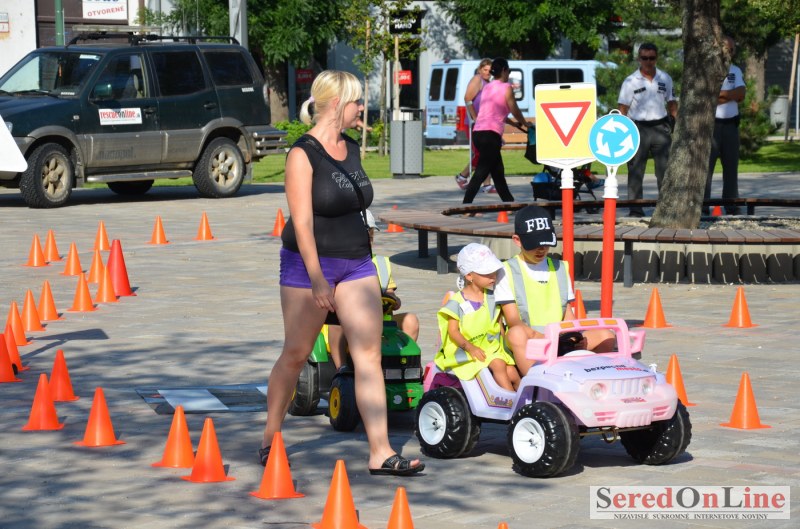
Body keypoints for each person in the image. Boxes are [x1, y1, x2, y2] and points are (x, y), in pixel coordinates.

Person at [261, 70, 424, 476]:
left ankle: (380, 451)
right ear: (336, 104)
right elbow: (301, 223)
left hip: (356, 263)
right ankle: (270, 438)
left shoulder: (351, 148)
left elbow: (356, 203)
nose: (361, 108)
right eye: (356, 102)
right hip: (308, 266)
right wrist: (317, 278)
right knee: (296, 353)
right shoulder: (302, 154)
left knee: (368, 355)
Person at [495, 206, 616, 375]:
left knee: (606, 335)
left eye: (545, 243)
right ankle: (536, 378)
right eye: (534, 244)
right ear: (517, 240)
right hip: (531, 342)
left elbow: (567, 313)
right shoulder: (506, 271)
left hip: (561, 339)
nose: (541, 249)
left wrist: (573, 336)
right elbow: (513, 320)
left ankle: (592, 375)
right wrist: (546, 339)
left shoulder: (560, 267)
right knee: (516, 333)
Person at [327, 209, 420, 368]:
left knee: (410, 320)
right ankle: (341, 367)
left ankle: (401, 363)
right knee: (336, 325)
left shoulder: (381, 263)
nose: (367, 241)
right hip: (350, 321)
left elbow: (389, 292)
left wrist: (394, 299)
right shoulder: (339, 262)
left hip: (382, 321)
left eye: (370, 237)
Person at [436, 243, 519, 391]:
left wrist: (507, 347)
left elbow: (499, 326)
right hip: (468, 352)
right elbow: (453, 331)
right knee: (499, 365)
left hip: (492, 348)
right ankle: (511, 399)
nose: (493, 277)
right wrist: (470, 348)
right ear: (469, 275)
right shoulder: (456, 302)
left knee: (512, 372)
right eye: (487, 273)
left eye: (494, 272)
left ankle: (526, 399)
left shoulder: (493, 297)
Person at [618, 43, 678, 218]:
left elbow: (672, 102)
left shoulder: (665, 78)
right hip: (638, 128)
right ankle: (635, 209)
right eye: (644, 58)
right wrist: (623, 131)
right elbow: (622, 108)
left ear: (656, 58)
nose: (648, 62)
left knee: (665, 171)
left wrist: (674, 124)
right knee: (635, 170)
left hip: (660, 127)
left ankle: (666, 209)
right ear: (639, 59)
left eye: (652, 58)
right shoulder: (630, 81)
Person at [463, 57, 532, 205]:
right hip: (490, 135)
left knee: (498, 173)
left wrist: (513, 124)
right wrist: (524, 123)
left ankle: (509, 203)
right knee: (481, 172)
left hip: (479, 132)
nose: (509, 74)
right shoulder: (506, 87)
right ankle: (466, 205)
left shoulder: (488, 87)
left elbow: (495, 112)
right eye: (509, 71)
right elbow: (514, 109)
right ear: (505, 70)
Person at [704, 36, 746, 216]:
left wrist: (720, 95)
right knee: (706, 169)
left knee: (731, 168)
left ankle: (731, 205)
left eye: (732, 50)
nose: (729, 53)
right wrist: (729, 95)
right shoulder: (708, 69)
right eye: (727, 50)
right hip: (711, 126)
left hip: (731, 125)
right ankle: (703, 206)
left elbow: (741, 93)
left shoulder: (735, 70)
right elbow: (708, 96)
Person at [456, 59, 495, 194]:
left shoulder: (489, 83)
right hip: (475, 124)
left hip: (486, 124)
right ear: (480, 69)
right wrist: (474, 117)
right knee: (482, 154)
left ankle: (486, 185)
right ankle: (462, 177)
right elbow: (467, 98)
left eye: (490, 70)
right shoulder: (477, 80)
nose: (487, 73)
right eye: (485, 70)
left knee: (487, 153)